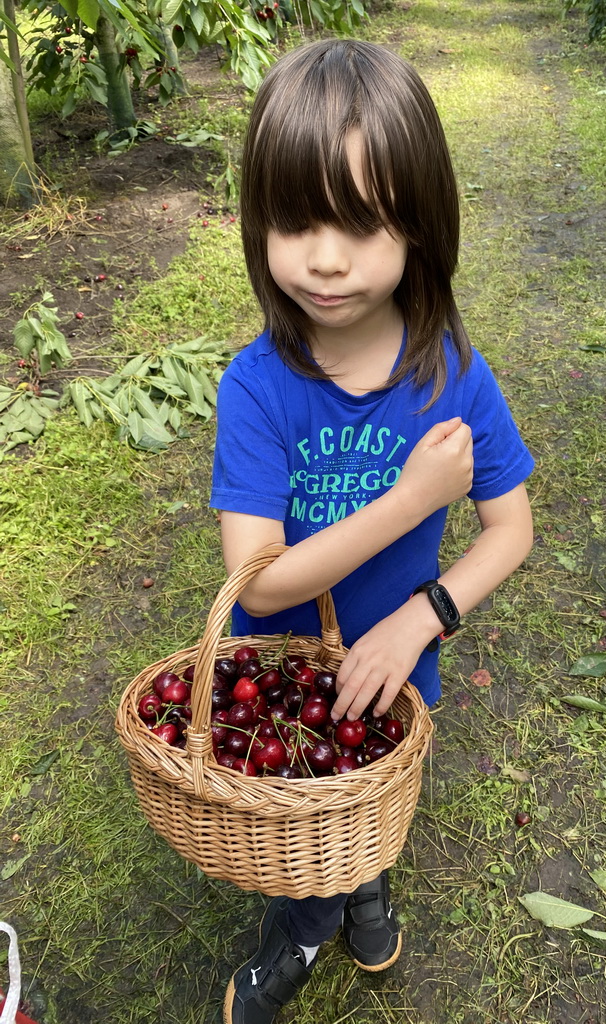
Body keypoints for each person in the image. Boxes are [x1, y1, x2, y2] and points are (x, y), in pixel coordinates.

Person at [210, 37, 535, 1024]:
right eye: (294, 220)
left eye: (360, 222)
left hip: (399, 663)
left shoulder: (452, 374)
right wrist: (405, 500)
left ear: (422, 226)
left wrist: (420, 617)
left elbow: (509, 528)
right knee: (303, 811)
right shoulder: (258, 389)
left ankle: (367, 882)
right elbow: (260, 582)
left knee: (378, 800)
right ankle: (301, 926)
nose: (324, 256)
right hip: (293, 676)